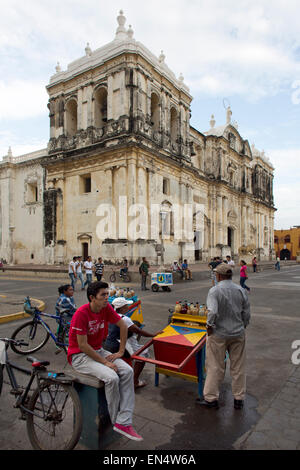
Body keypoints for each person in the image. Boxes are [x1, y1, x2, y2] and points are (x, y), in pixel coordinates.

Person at [67, 281, 143, 441]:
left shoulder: (105, 308)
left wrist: (121, 351)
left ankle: (125, 421)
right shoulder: (81, 313)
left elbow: (123, 325)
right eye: (103, 295)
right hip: (79, 356)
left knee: (128, 371)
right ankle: (116, 419)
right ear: (92, 298)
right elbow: (82, 345)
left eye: (108, 294)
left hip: (98, 351)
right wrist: (105, 362)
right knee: (112, 377)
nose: (107, 298)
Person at [197, 263, 250, 410]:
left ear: (219, 276)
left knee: (215, 366)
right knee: (238, 366)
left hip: (219, 334)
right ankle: (239, 398)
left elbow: (212, 312)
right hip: (237, 333)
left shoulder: (214, 291)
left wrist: (209, 326)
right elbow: (246, 313)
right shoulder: (240, 290)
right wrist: (242, 325)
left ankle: (211, 398)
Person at [104, 297, 163, 389]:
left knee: (138, 350)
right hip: (119, 343)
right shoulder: (125, 319)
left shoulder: (111, 315)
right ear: (122, 308)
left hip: (109, 342)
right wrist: (154, 334)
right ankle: (134, 381)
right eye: (126, 305)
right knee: (142, 355)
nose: (128, 306)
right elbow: (139, 331)